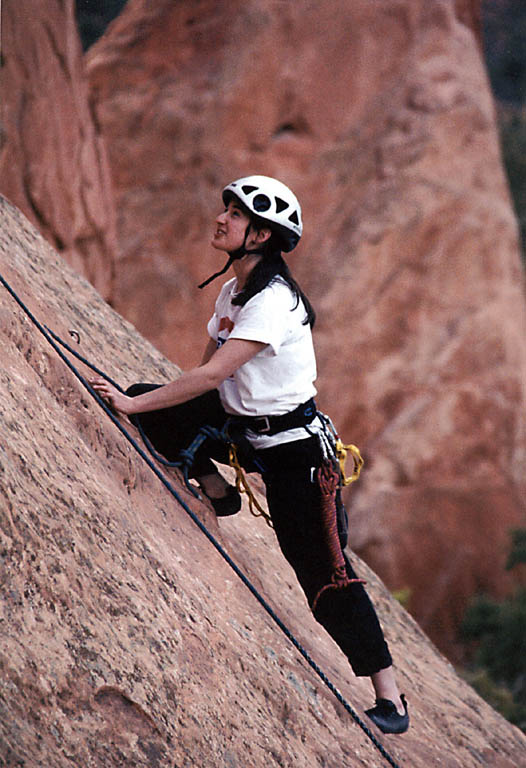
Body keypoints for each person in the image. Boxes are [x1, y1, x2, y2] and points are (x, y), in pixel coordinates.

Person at [91, 175, 409, 734]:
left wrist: (131, 407)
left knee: (324, 573)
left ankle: (390, 696)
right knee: (154, 404)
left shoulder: (275, 302)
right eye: (227, 210)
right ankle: (218, 492)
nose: (221, 219)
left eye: (234, 216)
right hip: (242, 427)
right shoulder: (234, 290)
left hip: (296, 454)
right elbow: (203, 376)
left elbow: (215, 371)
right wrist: (151, 405)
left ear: (261, 236)